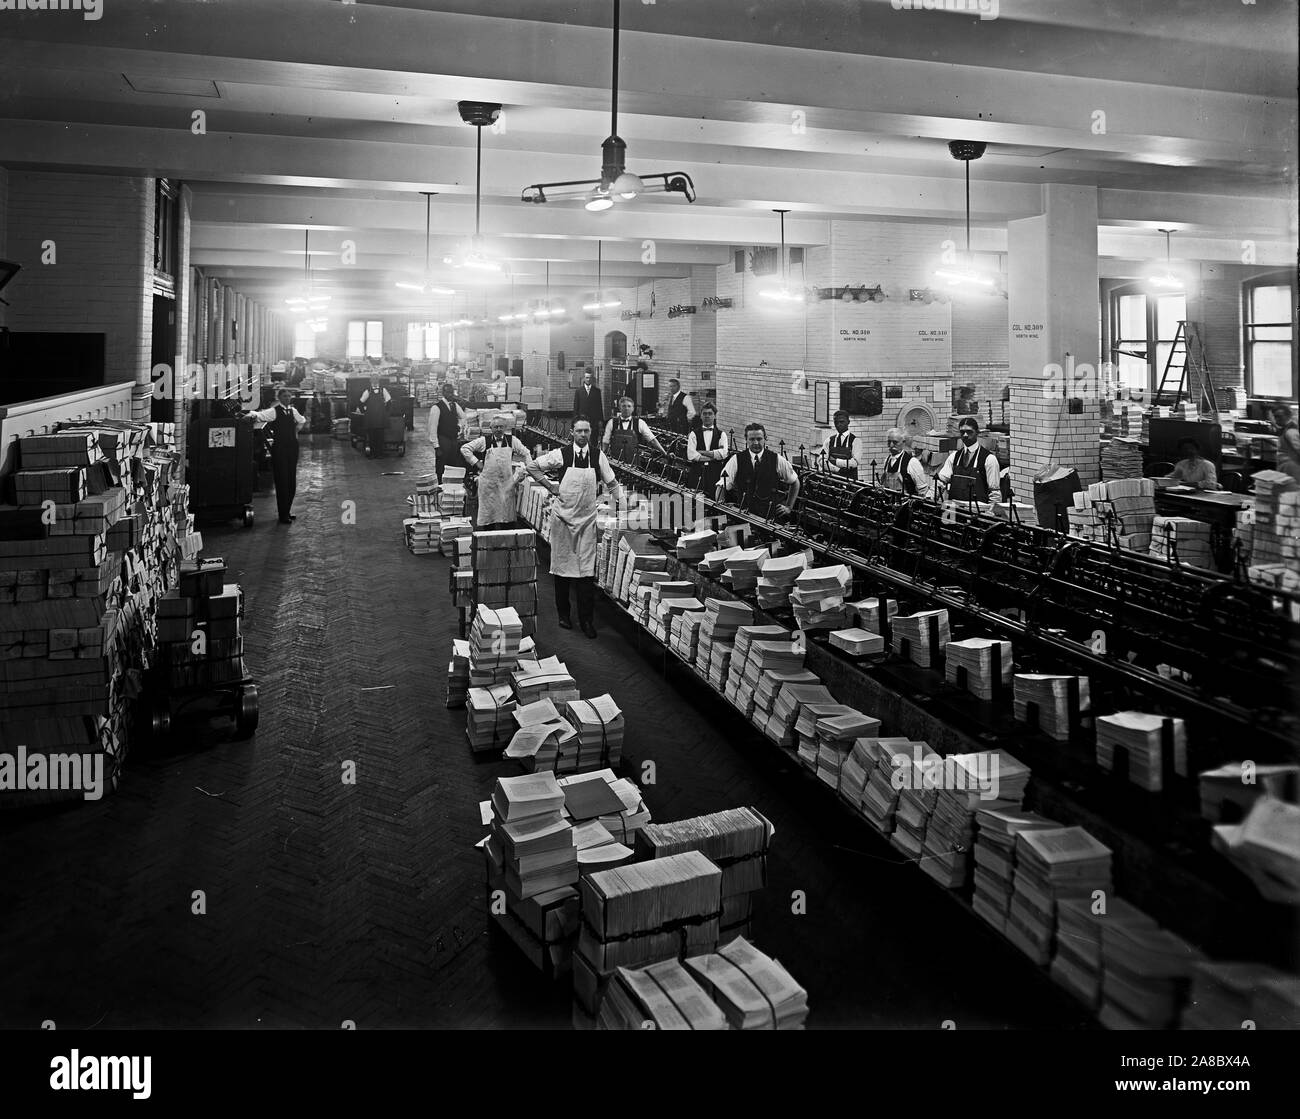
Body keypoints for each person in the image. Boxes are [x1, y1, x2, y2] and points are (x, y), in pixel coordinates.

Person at [527, 419, 621, 639]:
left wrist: (623, 505)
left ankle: (586, 621)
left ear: (591, 433)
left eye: (586, 430)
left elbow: (613, 483)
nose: (582, 434)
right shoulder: (561, 454)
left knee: (585, 574)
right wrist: (550, 486)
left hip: (587, 522)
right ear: (572, 433)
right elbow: (532, 466)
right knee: (562, 571)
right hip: (563, 520)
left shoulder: (598, 456)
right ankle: (564, 615)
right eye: (578, 431)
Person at [247, 388, 307, 524]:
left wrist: (296, 431)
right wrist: (249, 414)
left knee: (291, 480)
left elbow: (302, 420)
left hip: (292, 448)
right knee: (282, 480)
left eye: (289, 396)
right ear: (279, 398)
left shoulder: (293, 411)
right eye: (284, 396)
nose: (287, 398)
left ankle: (287, 511)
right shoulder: (274, 411)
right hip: (280, 449)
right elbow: (260, 415)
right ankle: (282, 514)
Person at [462, 414, 531, 529]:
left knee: (506, 516)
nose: (499, 429)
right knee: (489, 516)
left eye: (501, 427)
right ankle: (490, 540)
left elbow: (526, 453)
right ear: (491, 428)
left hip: (506, 484)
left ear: (505, 428)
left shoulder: (512, 440)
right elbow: (465, 448)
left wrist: (526, 470)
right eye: (496, 427)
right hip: (489, 485)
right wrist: (476, 463)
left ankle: (506, 541)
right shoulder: (484, 441)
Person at [717, 423, 800, 520]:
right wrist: (721, 508)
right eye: (752, 439)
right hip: (743, 517)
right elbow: (721, 486)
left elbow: (795, 482)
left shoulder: (776, 459)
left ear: (765, 438)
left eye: (759, 439)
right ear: (746, 439)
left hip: (770, 519)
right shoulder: (737, 460)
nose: (756, 443)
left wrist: (788, 507)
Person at [937, 416, 1000, 503]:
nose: (965, 435)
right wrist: (929, 497)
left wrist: (989, 513)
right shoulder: (954, 456)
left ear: (977, 433)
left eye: (969, 432)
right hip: (955, 512)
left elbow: (995, 493)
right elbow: (941, 481)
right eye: (962, 432)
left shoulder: (989, 459)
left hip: (977, 513)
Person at [602, 397, 667, 464]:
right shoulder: (611, 422)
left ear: (633, 409)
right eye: (623, 406)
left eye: (629, 406)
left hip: (634, 463)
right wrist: (602, 455)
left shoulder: (640, 423)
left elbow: (652, 440)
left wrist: (665, 453)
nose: (626, 408)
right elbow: (605, 441)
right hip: (615, 461)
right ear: (619, 408)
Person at [687, 403, 730, 493]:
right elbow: (691, 455)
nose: (707, 416)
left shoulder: (722, 435)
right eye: (704, 413)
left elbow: (723, 454)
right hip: (697, 472)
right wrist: (714, 457)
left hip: (715, 474)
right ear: (701, 416)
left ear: (714, 416)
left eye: (710, 414)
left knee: (713, 499)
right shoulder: (693, 434)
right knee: (696, 502)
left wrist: (701, 452)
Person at [428, 381, 467, 482]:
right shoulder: (436, 408)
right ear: (443, 393)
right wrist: (436, 447)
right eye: (448, 393)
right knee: (441, 465)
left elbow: (463, 417)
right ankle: (440, 485)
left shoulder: (454, 405)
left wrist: (459, 426)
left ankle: (451, 486)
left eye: (452, 392)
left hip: (453, 440)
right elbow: (432, 428)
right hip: (443, 440)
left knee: (452, 463)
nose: (450, 395)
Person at [880, 427, 931, 497]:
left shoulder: (912, 462)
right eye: (889, 442)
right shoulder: (887, 460)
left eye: (895, 442)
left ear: (903, 442)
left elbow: (922, 490)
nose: (891, 445)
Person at [359, 376, 392, 458]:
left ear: (378, 381)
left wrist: (385, 412)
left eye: (376, 380)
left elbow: (389, 401)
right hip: (371, 418)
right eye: (373, 380)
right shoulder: (368, 391)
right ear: (370, 381)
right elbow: (360, 402)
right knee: (372, 436)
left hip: (380, 417)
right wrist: (365, 411)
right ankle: (373, 454)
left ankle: (379, 453)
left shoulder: (383, 390)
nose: (374, 382)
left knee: (380, 436)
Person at [822, 409, 860, 480]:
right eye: (836, 422)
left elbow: (854, 463)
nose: (839, 424)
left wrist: (835, 461)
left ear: (848, 422)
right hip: (832, 479)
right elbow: (821, 461)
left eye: (842, 422)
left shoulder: (855, 441)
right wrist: (837, 469)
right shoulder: (829, 440)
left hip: (849, 480)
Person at [1270, 404, 1300, 483]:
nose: (1276, 419)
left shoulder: (1291, 432)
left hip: (1292, 470)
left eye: (1279, 416)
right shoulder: (1286, 429)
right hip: (1286, 469)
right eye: (1275, 416)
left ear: (1288, 416)